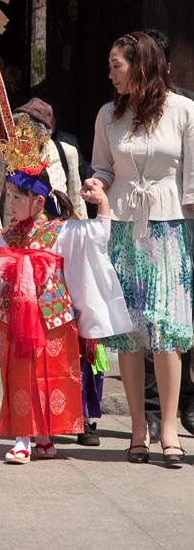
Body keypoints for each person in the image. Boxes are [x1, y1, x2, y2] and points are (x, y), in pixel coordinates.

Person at [0, 114, 132, 464]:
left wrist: (104, 205)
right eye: (7, 195)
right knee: (21, 377)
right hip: (15, 319)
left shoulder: (60, 231)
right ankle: (23, 437)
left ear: (38, 201)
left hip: (53, 317)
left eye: (17, 197)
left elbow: (97, 236)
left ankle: (43, 437)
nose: (11, 203)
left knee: (49, 376)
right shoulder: (6, 236)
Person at [84, 30, 194, 467]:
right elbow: (103, 166)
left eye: (117, 65)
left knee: (166, 330)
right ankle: (137, 428)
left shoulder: (184, 110)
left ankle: (168, 427)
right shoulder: (108, 114)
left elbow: (192, 179)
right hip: (124, 228)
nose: (110, 74)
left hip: (169, 229)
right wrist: (98, 184)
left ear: (142, 65)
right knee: (128, 331)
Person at [13, 97, 105, 446]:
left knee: (79, 335)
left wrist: (79, 240)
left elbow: (77, 197)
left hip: (60, 244)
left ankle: (82, 417)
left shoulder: (63, 150)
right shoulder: (8, 154)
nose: (22, 131)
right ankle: (40, 421)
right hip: (23, 248)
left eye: (28, 125)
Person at [140, 28, 194, 442]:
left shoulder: (186, 108)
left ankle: (185, 405)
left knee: (178, 325)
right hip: (156, 222)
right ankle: (154, 413)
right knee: (149, 321)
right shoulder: (124, 111)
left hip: (181, 223)